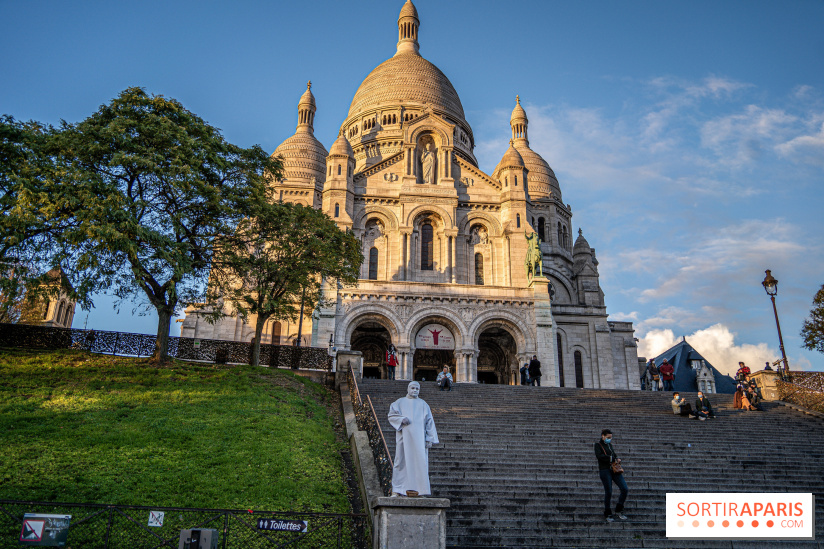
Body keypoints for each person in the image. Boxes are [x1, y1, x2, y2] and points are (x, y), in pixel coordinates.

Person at [388, 382, 439, 496]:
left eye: (417, 388)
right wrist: (401, 419)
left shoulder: (423, 404)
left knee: (420, 463)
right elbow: (391, 415)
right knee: (400, 462)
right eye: (413, 388)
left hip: (419, 440)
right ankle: (397, 489)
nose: (415, 390)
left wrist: (429, 438)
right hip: (404, 439)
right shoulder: (399, 402)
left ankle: (421, 490)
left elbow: (429, 422)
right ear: (408, 389)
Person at [594, 429, 628, 522]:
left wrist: (617, 459)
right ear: (603, 436)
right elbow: (599, 456)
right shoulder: (598, 445)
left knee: (624, 489)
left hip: (614, 470)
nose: (609, 439)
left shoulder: (610, 445)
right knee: (608, 492)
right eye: (608, 437)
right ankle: (608, 513)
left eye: (611, 437)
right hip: (605, 470)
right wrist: (611, 458)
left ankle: (619, 509)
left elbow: (614, 455)